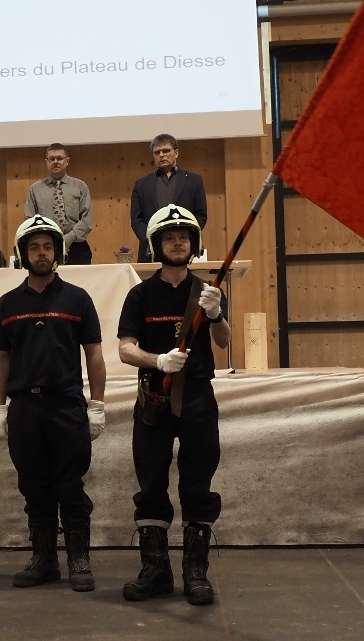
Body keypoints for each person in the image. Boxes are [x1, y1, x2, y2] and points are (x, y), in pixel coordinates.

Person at [117, 204, 228, 606]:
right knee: (150, 481)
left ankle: (196, 573)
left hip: (197, 395)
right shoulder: (140, 294)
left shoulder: (208, 291)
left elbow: (224, 342)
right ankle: (155, 570)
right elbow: (126, 350)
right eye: (169, 237)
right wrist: (157, 360)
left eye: (183, 236)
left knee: (198, 480)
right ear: (156, 245)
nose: (177, 242)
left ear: (193, 244)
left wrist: (215, 315)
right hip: (154, 395)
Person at [0, 215, 107, 592]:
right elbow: (0, 359)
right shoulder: (7, 304)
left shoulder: (77, 298)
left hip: (67, 407)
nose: (42, 253)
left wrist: (97, 404)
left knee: (70, 486)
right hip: (25, 409)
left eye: (48, 247)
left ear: (57, 251)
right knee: (34, 487)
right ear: (23, 254)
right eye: (34, 247)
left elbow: (93, 354)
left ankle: (79, 560)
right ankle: (44, 561)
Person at [129, 134, 207, 262]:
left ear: (176, 153)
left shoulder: (194, 181)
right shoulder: (141, 184)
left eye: (166, 151)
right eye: (157, 152)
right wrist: (152, 239)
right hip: (151, 252)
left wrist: (185, 237)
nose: (161, 155)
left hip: (184, 250)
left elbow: (200, 215)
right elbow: (136, 220)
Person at [24, 143, 95, 265]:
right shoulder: (35, 190)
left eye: (60, 158)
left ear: (67, 161)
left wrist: (67, 240)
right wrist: (51, 241)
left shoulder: (80, 187)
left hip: (76, 247)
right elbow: (30, 220)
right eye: (51, 159)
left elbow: (86, 220)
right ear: (46, 162)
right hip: (46, 248)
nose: (55, 162)